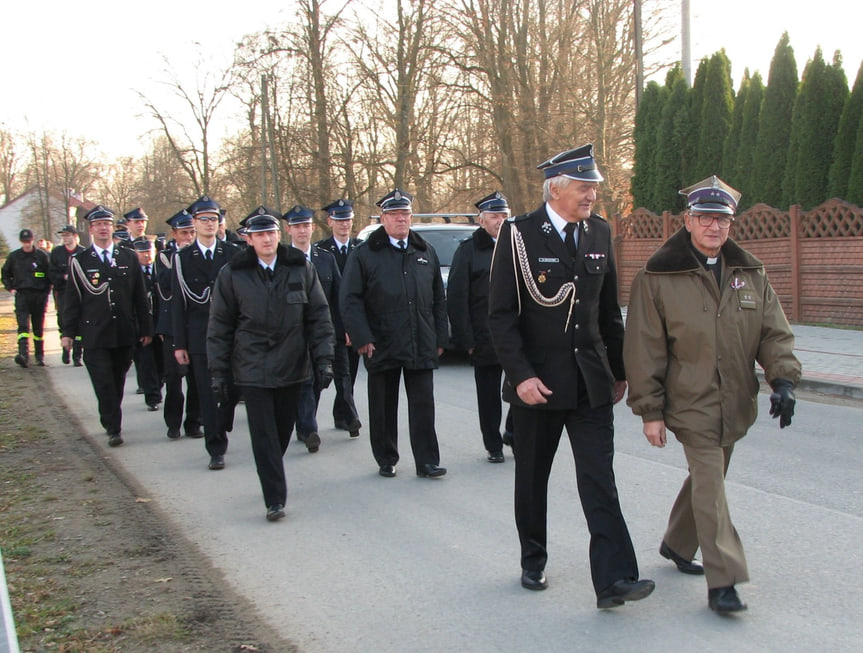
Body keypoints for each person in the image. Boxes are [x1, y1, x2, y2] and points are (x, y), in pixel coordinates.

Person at [623, 175, 801, 614]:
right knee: (712, 483)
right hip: (688, 401)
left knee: (708, 477)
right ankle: (724, 581)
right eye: (704, 218)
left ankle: (677, 544)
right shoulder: (658, 276)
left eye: (721, 219)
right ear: (688, 221)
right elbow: (644, 347)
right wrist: (650, 410)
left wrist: (783, 381)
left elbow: (772, 332)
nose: (713, 227)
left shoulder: (750, 273)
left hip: (735, 401)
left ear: (731, 223)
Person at [487, 144, 654, 608]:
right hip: (538, 386)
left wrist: (619, 371)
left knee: (599, 479)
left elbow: (607, 313)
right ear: (556, 189)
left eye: (594, 188)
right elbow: (500, 316)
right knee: (533, 478)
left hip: (590, 382)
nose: (592, 196)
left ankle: (614, 579)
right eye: (585, 188)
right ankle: (533, 559)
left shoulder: (599, 233)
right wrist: (519, 375)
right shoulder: (518, 235)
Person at [208, 207, 334, 521]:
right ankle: (274, 498)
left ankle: (270, 469)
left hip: (293, 367)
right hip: (252, 369)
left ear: (279, 235)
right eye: (260, 234)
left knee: (280, 430)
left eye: (271, 233)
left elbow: (318, 316)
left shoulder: (299, 268)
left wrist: (324, 359)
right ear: (248, 240)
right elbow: (220, 327)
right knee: (263, 434)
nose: (267, 239)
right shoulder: (233, 274)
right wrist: (219, 373)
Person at [340, 188, 448, 479]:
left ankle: (427, 461)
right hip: (382, 340)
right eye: (395, 214)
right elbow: (350, 299)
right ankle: (386, 457)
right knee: (383, 404)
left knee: (423, 405)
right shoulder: (365, 254)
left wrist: (441, 336)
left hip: (420, 339)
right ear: (383, 218)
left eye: (406, 214)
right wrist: (362, 337)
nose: (401, 219)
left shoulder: (425, 250)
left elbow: (438, 298)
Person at [60, 206, 153, 446]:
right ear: (91, 229)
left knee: (117, 380)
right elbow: (71, 300)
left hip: (123, 331)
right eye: (98, 224)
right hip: (94, 333)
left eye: (107, 224)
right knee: (103, 381)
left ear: (113, 228)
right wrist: (68, 332)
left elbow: (139, 297)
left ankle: (111, 416)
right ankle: (113, 426)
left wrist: (145, 328)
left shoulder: (127, 257)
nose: (103, 228)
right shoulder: (79, 261)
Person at [172, 196, 241, 469]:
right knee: (208, 392)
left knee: (234, 389)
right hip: (199, 336)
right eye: (204, 220)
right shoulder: (183, 259)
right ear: (194, 223)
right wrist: (179, 343)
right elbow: (178, 303)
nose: (210, 224)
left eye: (214, 219)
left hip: (233, 335)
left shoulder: (233, 254)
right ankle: (216, 447)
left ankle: (222, 422)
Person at [447, 191, 514, 463]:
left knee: (522, 388)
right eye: (494, 216)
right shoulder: (468, 251)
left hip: (516, 335)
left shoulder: (517, 245)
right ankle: (493, 443)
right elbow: (457, 297)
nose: (500, 221)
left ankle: (513, 432)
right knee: (488, 397)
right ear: (482, 220)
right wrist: (467, 339)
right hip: (484, 336)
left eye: (504, 216)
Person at [285, 204, 342, 452]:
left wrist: (343, 328)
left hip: (320, 329)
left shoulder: (325, 258)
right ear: (289, 230)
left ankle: (304, 421)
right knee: (303, 379)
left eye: (306, 226)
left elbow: (338, 296)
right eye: (297, 226)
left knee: (318, 379)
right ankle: (309, 428)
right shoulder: (282, 260)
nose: (302, 231)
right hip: (291, 331)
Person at [315, 199, 363, 436]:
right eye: (340, 220)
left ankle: (342, 414)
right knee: (326, 373)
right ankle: (312, 419)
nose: (344, 224)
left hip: (356, 318)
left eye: (348, 220)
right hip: (331, 319)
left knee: (349, 372)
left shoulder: (360, 248)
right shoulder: (322, 250)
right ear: (330, 221)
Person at [154, 209, 202, 440]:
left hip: (193, 324)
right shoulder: (165, 256)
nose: (189, 238)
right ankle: (173, 422)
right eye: (184, 233)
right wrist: (180, 259)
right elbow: (165, 284)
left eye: (192, 232)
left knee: (196, 377)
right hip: (172, 326)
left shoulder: (198, 255)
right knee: (174, 377)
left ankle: (194, 421)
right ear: (174, 234)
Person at [2, 228, 52, 367]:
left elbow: (50, 275)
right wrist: (10, 287)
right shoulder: (14, 257)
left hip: (38, 295)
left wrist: (46, 292)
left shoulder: (42, 256)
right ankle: (23, 354)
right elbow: (5, 273)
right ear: (21, 242)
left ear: (33, 240)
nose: (27, 244)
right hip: (22, 295)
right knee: (23, 326)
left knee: (38, 327)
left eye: (29, 241)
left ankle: (39, 355)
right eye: (24, 242)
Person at [131, 237, 163, 411]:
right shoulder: (133, 274)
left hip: (160, 325)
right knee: (146, 361)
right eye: (142, 252)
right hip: (141, 326)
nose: (146, 255)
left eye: (148, 251)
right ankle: (152, 396)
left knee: (161, 361)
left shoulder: (161, 271)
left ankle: (157, 385)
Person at [49, 225, 86, 365]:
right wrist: (63, 277)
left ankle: (77, 355)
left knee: (79, 321)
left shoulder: (83, 252)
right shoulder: (57, 252)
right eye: (63, 236)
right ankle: (65, 348)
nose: (65, 238)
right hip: (63, 291)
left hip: (79, 292)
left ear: (75, 236)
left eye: (67, 235)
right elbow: (51, 273)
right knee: (64, 320)